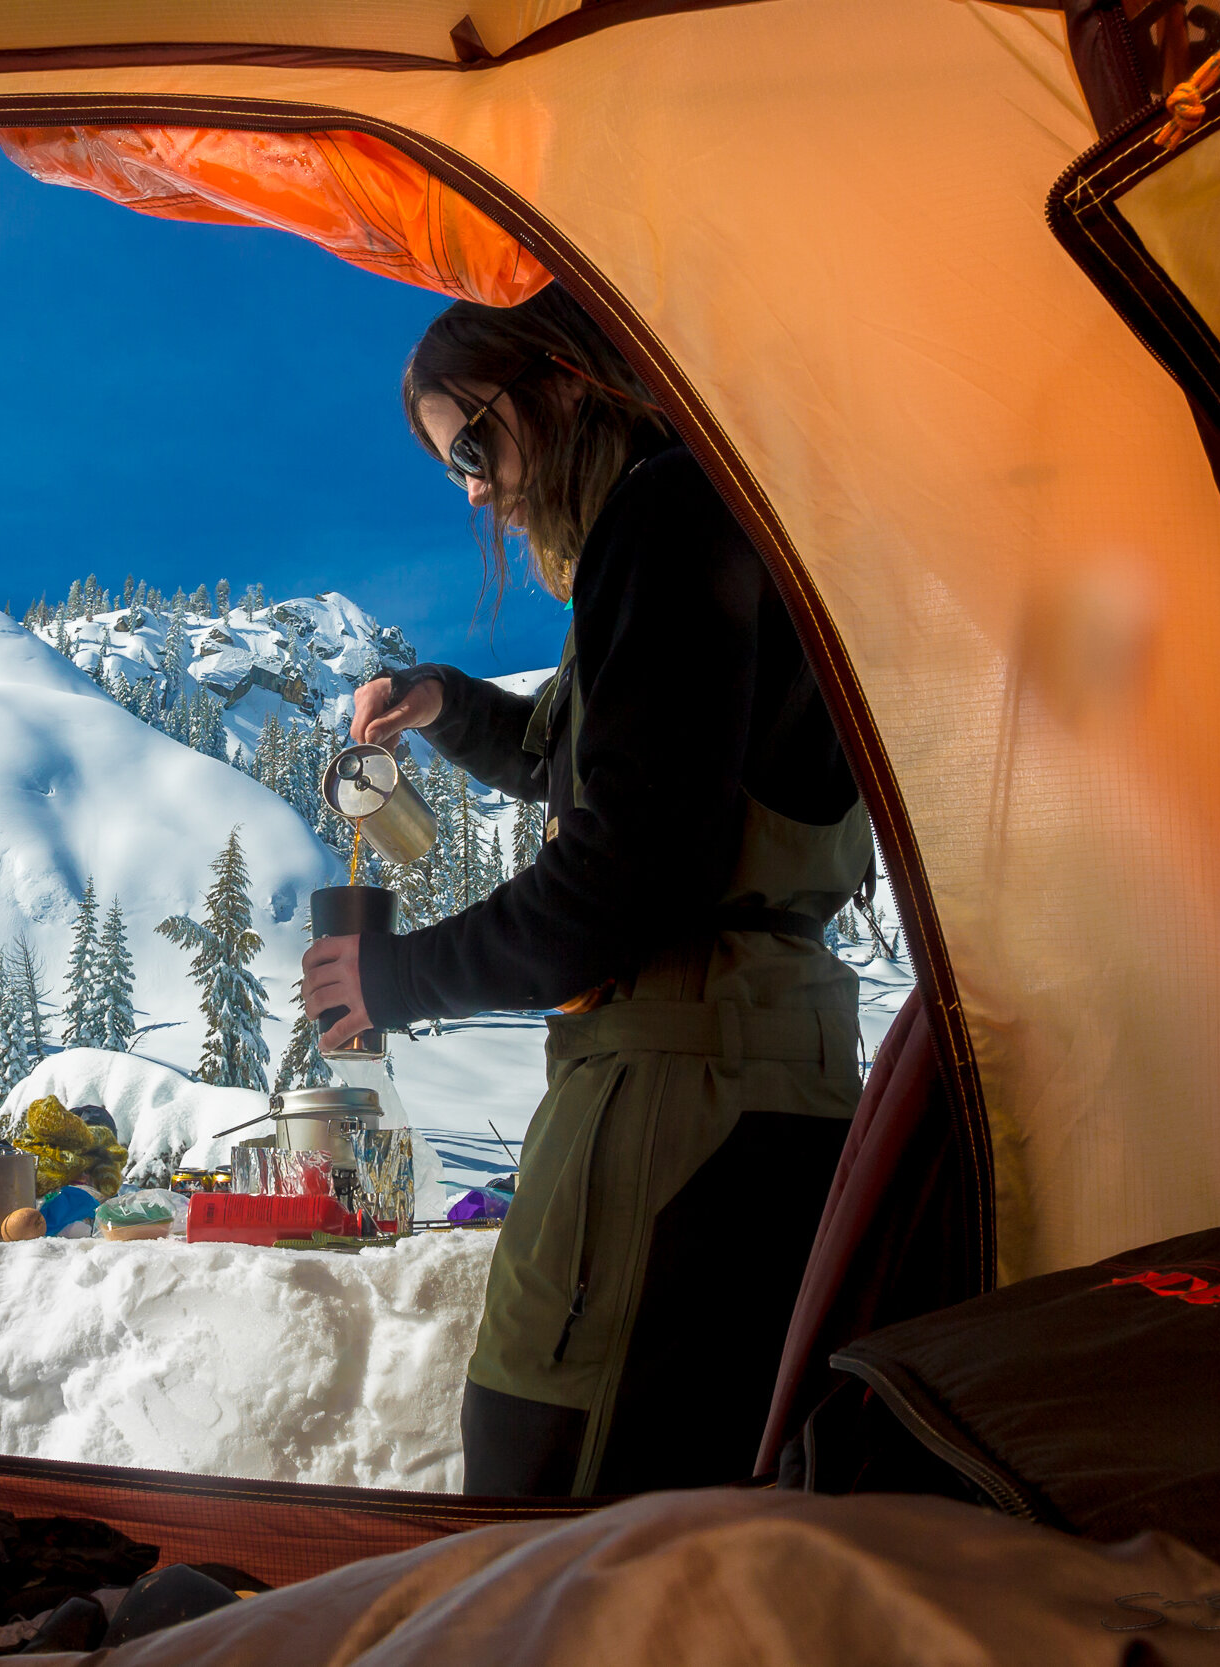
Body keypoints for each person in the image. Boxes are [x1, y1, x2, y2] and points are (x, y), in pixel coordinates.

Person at [303, 289, 872, 1497]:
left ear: (556, 382)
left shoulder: (659, 514)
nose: (469, 489)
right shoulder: (730, 505)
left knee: (546, 1471)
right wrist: (447, 704)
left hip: (673, 1074)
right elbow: (635, 771)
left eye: (468, 443)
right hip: (778, 1059)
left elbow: (621, 874)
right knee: (697, 1479)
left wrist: (389, 977)